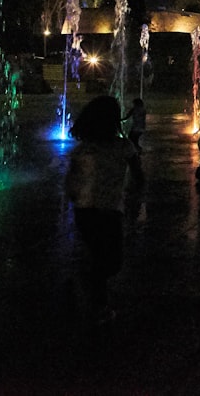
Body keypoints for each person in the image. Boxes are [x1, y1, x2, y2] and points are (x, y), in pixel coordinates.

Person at [64, 96, 138, 324]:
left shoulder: (121, 146)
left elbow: (71, 177)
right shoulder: (95, 148)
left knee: (105, 260)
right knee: (109, 260)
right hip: (95, 210)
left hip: (97, 210)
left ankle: (90, 287)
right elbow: (139, 174)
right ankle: (99, 303)